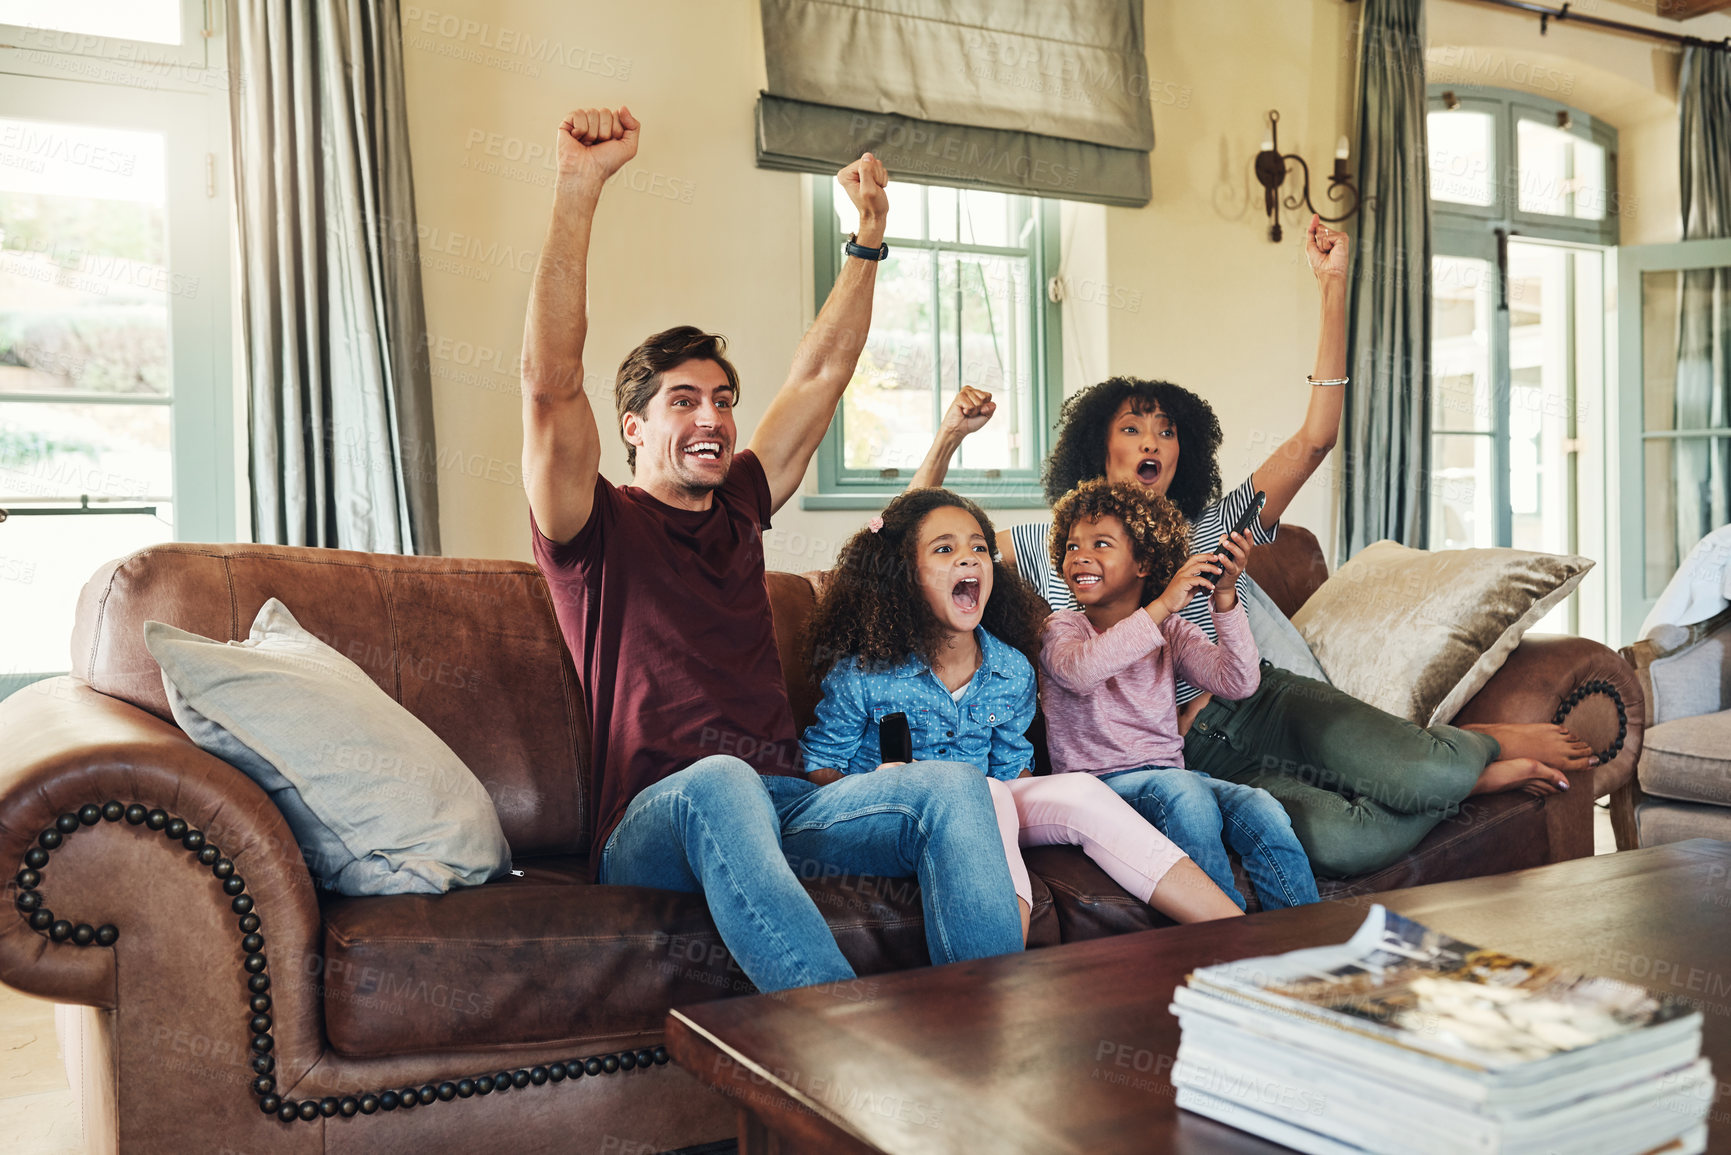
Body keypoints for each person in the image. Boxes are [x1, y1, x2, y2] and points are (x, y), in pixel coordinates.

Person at [909, 216, 1596, 879]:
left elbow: (1313, 440)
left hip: (1259, 702)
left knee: (1425, 772)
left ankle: (1472, 750)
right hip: (1195, 757)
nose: (1152, 441)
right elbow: (916, 547)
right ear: (1100, 444)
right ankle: (1470, 782)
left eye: (1166, 431)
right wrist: (946, 438)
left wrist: (1333, 283)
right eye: (1133, 428)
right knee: (1344, 843)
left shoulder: (1209, 526)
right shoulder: (1047, 545)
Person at [521, 105, 1022, 993]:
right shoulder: (592, 529)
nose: (712, 416)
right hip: (659, 820)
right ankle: (840, 1059)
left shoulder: (741, 504)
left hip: (786, 805)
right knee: (719, 778)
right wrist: (578, 188)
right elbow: (549, 382)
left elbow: (821, 374)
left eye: (721, 399)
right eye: (683, 401)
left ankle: (989, 1047)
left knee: (951, 787)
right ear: (632, 426)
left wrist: (867, 240)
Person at [800, 488, 1243, 942]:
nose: (969, 558)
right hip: (892, 812)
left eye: (978, 547)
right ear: (905, 575)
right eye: (945, 549)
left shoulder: (1011, 669)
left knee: (1075, 790)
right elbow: (820, 766)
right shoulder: (865, 672)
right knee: (986, 791)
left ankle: (1238, 936)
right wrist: (882, 786)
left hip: (989, 802)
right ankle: (998, 970)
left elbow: (1016, 771)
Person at [1040, 480, 1317, 910]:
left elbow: (1238, 681)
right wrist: (1165, 604)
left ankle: (1305, 941)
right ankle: (1223, 941)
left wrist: (1225, 597)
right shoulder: (1063, 628)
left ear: (1144, 562)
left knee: (1261, 806)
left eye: (1101, 543)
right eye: (1072, 546)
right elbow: (1081, 672)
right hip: (1097, 787)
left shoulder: (1170, 631)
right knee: (1184, 792)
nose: (1080, 556)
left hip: (1172, 776)